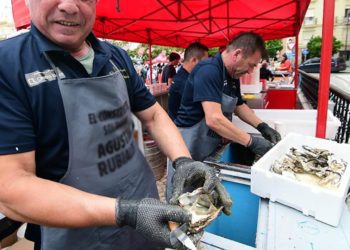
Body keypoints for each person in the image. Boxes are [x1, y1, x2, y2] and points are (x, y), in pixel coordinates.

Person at [0, 0, 232, 249]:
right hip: (74, 231)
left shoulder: (114, 56)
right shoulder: (9, 64)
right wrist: (125, 212)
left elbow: (153, 115)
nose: (69, 6)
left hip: (143, 206)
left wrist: (184, 161)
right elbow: (12, 188)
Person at [174, 32, 281, 162]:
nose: (250, 71)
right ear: (236, 54)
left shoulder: (232, 74)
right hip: (189, 143)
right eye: (251, 65)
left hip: (209, 142)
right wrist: (252, 142)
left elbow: (239, 105)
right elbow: (214, 119)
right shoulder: (209, 70)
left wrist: (262, 127)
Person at [168, 42, 209, 121]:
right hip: (182, 128)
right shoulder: (184, 81)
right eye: (204, 62)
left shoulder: (183, 75)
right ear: (194, 60)